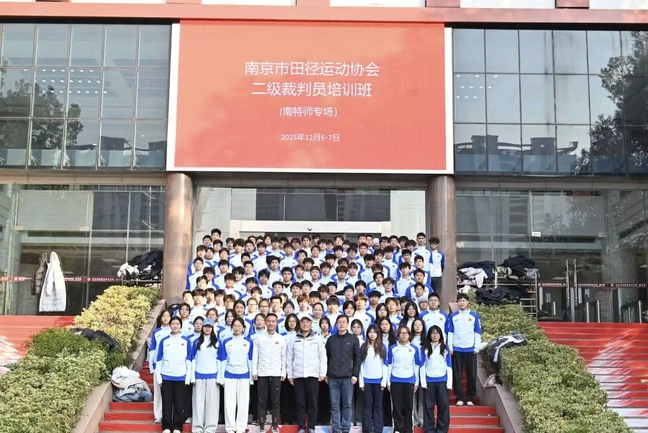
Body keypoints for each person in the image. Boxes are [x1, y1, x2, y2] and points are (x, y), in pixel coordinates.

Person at [286, 316, 328, 433]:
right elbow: (289, 358)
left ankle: (311, 426)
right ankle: (301, 426)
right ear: (300, 324)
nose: (305, 324)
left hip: (313, 375)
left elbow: (322, 357)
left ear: (311, 324)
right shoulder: (293, 339)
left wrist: (322, 373)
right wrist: (290, 375)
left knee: (313, 403)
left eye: (307, 322)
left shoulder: (317, 339)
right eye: (303, 322)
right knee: (300, 403)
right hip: (298, 375)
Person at [155, 316, 193, 433]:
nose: (175, 326)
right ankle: (166, 426)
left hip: (181, 376)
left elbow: (189, 360)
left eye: (177, 324)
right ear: (170, 325)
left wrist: (188, 378)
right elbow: (159, 360)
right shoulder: (164, 341)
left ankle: (177, 426)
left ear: (181, 326)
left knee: (179, 403)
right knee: (166, 402)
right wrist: (159, 378)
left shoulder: (186, 341)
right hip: (166, 376)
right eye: (173, 324)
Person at [217, 317, 254, 433]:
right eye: (235, 326)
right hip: (229, 375)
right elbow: (222, 360)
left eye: (239, 326)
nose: (237, 328)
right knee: (229, 403)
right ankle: (230, 427)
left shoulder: (248, 342)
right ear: (231, 327)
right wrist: (222, 378)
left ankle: (241, 427)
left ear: (243, 327)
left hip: (244, 375)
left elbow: (250, 360)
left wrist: (251, 378)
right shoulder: (226, 341)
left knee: (243, 403)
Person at [326, 315, 361, 433]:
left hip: (348, 378)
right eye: (339, 322)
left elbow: (357, 359)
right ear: (336, 324)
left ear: (347, 324)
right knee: (334, 405)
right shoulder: (331, 340)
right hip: (333, 377)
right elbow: (326, 358)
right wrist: (326, 374)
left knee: (347, 404)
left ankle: (346, 428)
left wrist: (355, 375)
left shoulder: (353, 339)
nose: (341, 324)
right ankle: (336, 428)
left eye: (344, 322)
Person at [252, 313, 286, 433]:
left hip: (276, 374)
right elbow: (255, 355)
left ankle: (275, 425)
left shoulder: (281, 339)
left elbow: (283, 357)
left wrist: (283, 372)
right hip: (262, 373)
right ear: (266, 322)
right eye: (269, 321)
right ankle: (262, 425)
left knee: (275, 401)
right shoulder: (259, 338)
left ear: (277, 323)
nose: (271, 323)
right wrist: (255, 371)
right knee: (262, 401)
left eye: (273, 321)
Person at [448, 293, 482, 406]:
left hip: (470, 349)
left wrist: (476, 346)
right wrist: (450, 346)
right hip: (457, 349)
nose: (462, 303)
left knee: (471, 375)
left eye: (464, 301)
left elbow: (477, 332)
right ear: (457, 303)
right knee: (457, 375)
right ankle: (460, 398)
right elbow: (450, 332)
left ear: (468, 302)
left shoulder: (474, 316)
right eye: (460, 301)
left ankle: (470, 398)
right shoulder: (453, 316)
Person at [387, 325, 422, 433]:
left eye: (406, 333)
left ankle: (408, 429)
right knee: (396, 407)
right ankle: (397, 429)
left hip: (409, 380)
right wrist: (388, 381)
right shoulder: (393, 348)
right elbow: (389, 365)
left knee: (409, 407)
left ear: (409, 335)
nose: (404, 335)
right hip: (395, 380)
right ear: (398, 335)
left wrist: (416, 381)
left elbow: (416, 366)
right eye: (401, 333)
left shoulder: (414, 349)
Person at [421, 325, 452, 433]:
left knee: (443, 406)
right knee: (428, 406)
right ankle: (429, 429)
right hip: (429, 380)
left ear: (440, 335)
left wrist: (449, 383)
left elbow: (449, 365)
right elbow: (422, 365)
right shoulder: (425, 348)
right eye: (433, 333)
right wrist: (423, 381)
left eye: (437, 333)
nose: (435, 335)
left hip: (442, 380)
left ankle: (442, 429)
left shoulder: (445, 348)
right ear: (429, 335)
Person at [191, 318, 220, 433]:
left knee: (212, 404)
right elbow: (192, 359)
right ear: (202, 327)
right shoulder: (196, 342)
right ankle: (198, 427)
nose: (207, 329)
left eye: (209, 327)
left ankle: (210, 428)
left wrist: (220, 377)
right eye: (205, 326)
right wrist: (192, 376)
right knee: (198, 403)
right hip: (199, 375)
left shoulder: (217, 342)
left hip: (213, 376)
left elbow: (221, 360)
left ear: (212, 328)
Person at [359, 324, 387, 433]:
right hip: (366, 380)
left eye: (374, 332)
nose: (372, 334)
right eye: (370, 332)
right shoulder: (363, 347)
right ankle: (366, 428)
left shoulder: (382, 347)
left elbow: (385, 365)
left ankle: (378, 428)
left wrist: (384, 381)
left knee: (378, 406)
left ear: (378, 334)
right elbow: (361, 365)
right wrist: (361, 382)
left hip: (378, 380)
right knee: (367, 406)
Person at [149, 309, 172, 424]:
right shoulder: (156, 332)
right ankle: (158, 415)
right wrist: (151, 365)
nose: (166, 318)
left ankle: (170, 414)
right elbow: (152, 348)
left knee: (170, 392)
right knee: (158, 392)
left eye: (168, 316)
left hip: (171, 366)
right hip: (158, 364)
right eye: (164, 316)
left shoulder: (174, 331)